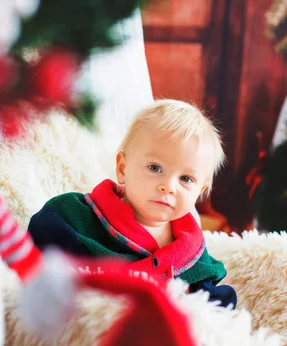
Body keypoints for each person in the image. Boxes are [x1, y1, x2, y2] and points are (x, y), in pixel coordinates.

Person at [27, 99, 237, 308]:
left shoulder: (192, 248)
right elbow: (39, 258)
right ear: (122, 168)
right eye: (155, 168)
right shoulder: (77, 216)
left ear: (200, 192)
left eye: (186, 179)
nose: (169, 186)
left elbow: (212, 309)